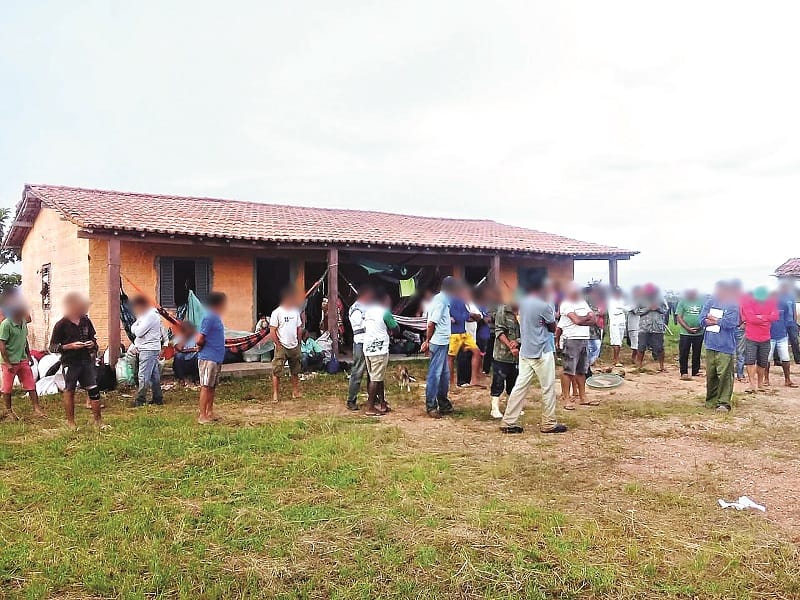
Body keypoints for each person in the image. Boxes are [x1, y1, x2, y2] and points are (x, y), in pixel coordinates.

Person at [500, 277, 567, 434]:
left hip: (526, 351)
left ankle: (509, 421)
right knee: (547, 387)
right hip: (542, 351)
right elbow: (552, 328)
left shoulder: (522, 304)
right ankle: (549, 423)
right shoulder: (544, 305)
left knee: (520, 387)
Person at [48, 292, 102, 427]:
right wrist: (69, 346)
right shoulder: (61, 325)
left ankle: (98, 421)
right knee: (69, 390)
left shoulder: (86, 321)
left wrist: (92, 344)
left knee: (93, 389)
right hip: (70, 362)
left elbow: (94, 339)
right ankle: (71, 422)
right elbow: (52, 347)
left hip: (86, 360)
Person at [0, 301, 45, 420]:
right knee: (7, 388)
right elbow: (2, 344)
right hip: (9, 361)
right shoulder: (6, 325)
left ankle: (37, 409)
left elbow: (24, 340)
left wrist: (29, 356)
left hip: (22, 359)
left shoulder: (23, 322)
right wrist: (8, 363)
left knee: (30, 384)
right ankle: (9, 411)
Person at [699, 282, 739, 412]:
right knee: (711, 374)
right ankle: (711, 401)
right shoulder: (710, 302)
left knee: (725, 375)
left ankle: (724, 402)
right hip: (710, 344)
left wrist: (713, 319)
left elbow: (730, 323)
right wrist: (713, 320)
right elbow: (701, 320)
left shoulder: (732, 305)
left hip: (725, 346)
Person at [421, 276, 457, 418]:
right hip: (438, 342)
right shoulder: (442, 301)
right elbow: (431, 323)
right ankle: (431, 406)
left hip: (442, 341)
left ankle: (443, 403)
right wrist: (428, 340)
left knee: (444, 375)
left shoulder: (441, 299)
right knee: (435, 375)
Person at [556, 282, 597, 409]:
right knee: (568, 370)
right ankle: (567, 399)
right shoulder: (566, 304)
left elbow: (594, 320)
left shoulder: (582, 302)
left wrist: (581, 320)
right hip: (571, 339)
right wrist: (585, 318)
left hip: (584, 338)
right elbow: (576, 320)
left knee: (581, 370)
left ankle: (583, 397)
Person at [362, 290, 399, 415]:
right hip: (379, 349)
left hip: (368, 348)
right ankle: (370, 407)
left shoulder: (366, 312)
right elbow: (396, 328)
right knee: (375, 378)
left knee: (377, 376)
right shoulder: (385, 313)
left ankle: (382, 403)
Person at [740, 286, 779, 394]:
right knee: (750, 360)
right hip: (751, 337)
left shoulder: (771, 302)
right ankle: (752, 384)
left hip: (765, 337)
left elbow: (775, 316)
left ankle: (760, 384)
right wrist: (766, 317)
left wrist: (760, 317)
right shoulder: (748, 302)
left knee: (763, 362)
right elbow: (750, 318)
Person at [196, 291, 227, 424]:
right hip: (208, 357)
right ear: (219, 303)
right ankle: (202, 415)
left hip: (216, 357)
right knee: (206, 385)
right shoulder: (209, 317)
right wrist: (200, 346)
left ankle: (210, 412)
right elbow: (200, 338)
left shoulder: (216, 317)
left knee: (212, 386)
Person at [269, 285, 303, 402]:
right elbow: (272, 330)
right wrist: (278, 344)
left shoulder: (295, 312)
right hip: (282, 346)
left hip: (294, 345)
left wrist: (299, 341)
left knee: (295, 370)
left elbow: (299, 327)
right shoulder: (277, 313)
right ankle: (275, 394)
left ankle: (295, 391)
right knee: (277, 370)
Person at [130, 295, 164, 406]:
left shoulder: (151, 316)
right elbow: (133, 327)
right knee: (154, 375)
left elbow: (138, 332)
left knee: (143, 375)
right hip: (147, 348)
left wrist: (137, 327)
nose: (136, 310)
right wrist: (137, 326)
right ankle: (158, 398)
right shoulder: (144, 316)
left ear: (141, 305)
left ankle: (140, 400)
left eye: (136, 307)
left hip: (148, 349)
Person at [447, 283, 483, 387]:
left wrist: (469, 316)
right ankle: (455, 382)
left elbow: (477, 317)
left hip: (468, 334)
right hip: (456, 334)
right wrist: (468, 316)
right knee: (455, 358)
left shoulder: (467, 302)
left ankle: (473, 380)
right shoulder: (451, 301)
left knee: (475, 353)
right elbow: (461, 317)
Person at [489, 301, 520, 419]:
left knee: (514, 382)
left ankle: (511, 407)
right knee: (498, 381)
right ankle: (494, 408)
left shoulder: (524, 312)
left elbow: (528, 330)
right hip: (502, 353)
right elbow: (499, 331)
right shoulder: (503, 310)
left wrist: (518, 341)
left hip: (518, 354)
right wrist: (510, 346)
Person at [346, 285, 374, 411]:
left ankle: (373, 398)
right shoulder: (355, 309)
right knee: (358, 371)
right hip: (361, 342)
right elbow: (359, 325)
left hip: (370, 341)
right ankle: (351, 400)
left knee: (372, 372)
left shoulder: (368, 307)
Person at [766, 291, 797, 388]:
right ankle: (766, 379)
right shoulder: (766, 305)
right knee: (767, 359)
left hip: (782, 335)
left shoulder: (783, 304)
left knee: (786, 358)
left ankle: (787, 380)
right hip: (769, 336)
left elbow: (788, 317)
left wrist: (786, 329)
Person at [635, 283, 667, 371]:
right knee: (641, 346)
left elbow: (665, 310)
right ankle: (639, 365)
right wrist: (648, 308)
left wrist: (658, 308)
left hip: (657, 327)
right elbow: (636, 311)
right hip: (644, 327)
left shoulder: (660, 299)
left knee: (659, 347)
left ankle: (661, 366)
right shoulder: (640, 299)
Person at [675, 289, 705, 380]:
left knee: (697, 352)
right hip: (685, 333)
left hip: (699, 332)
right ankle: (683, 372)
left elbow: (704, 315)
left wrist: (700, 327)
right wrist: (688, 328)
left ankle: (695, 371)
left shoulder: (701, 302)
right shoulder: (682, 302)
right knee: (684, 352)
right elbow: (679, 317)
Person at [172, 321, 200, 386]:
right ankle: (181, 378)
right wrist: (186, 337)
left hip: (193, 363)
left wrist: (185, 351)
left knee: (198, 356)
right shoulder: (178, 337)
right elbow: (179, 348)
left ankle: (196, 379)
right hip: (183, 364)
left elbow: (199, 349)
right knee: (178, 356)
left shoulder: (196, 337)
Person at [779, 281, 800, 364]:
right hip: (781, 323)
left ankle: (797, 359)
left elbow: (794, 309)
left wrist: (794, 320)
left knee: (794, 340)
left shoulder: (791, 297)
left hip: (791, 322)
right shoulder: (778, 297)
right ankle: (777, 360)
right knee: (779, 340)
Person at [585, 285, 605, 374]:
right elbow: (588, 313)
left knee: (596, 347)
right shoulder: (586, 300)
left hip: (597, 328)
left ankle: (587, 365)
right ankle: (586, 367)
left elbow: (604, 312)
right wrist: (596, 313)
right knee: (591, 348)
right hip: (588, 329)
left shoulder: (601, 300)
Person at [607, 287, 627, 367]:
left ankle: (617, 359)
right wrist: (623, 308)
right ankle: (615, 359)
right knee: (616, 342)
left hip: (622, 322)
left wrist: (622, 308)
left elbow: (627, 309)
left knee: (620, 342)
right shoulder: (611, 301)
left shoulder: (621, 301)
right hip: (615, 323)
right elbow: (616, 311)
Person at [626, 285, 642, 364]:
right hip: (633, 325)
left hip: (640, 325)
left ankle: (636, 358)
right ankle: (634, 359)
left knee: (639, 342)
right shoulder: (631, 301)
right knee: (635, 343)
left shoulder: (640, 300)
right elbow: (635, 311)